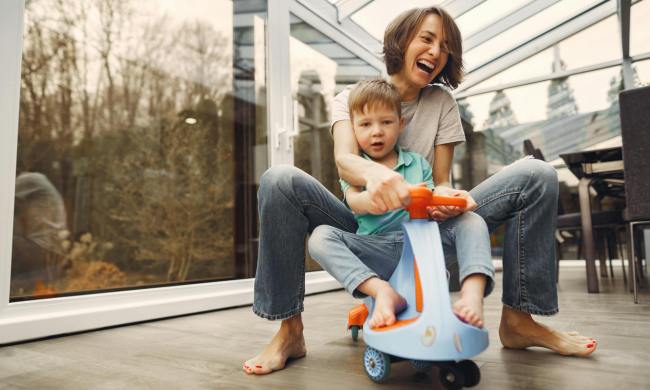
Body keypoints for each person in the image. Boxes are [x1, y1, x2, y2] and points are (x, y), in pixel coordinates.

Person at [244, 6, 596, 376]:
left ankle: (519, 322)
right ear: (402, 40)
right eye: (426, 39)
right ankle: (290, 332)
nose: (435, 52)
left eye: (444, 47)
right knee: (279, 179)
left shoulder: (442, 102)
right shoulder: (350, 99)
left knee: (537, 173)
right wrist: (376, 178)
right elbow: (346, 161)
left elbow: (440, 179)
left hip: (424, 227)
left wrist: (446, 201)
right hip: (363, 223)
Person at [308, 78, 494, 330]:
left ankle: (472, 295)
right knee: (320, 237)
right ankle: (381, 291)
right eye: (365, 124)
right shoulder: (356, 168)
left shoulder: (418, 163)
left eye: (386, 122)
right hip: (375, 248)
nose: (376, 131)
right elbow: (354, 201)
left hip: (421, 244)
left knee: (472, 221)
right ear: (353, 128)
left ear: (400, 124)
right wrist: (371, 200)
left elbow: (431, 199)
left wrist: (449, 204)